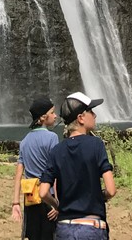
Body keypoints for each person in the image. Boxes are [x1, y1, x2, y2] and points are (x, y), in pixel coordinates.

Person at [39, 92, 116, 238]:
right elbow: (111, 190)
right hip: (92, 228)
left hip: (64, 229)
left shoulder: (56, 150)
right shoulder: (96, 145)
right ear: (80, 118)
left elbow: (43, 192)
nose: (94, 115)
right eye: (91, 111)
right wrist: (99, 196)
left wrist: (57, 205)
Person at [12, 96, 60, 239]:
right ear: (44, 117)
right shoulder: (52, 138)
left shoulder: (24, 141)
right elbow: (55, 173)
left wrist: (15, 202)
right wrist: (57, 203)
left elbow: (19, 173)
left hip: (30, 199)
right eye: (53, 113)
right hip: (48, 198)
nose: (56, 116)